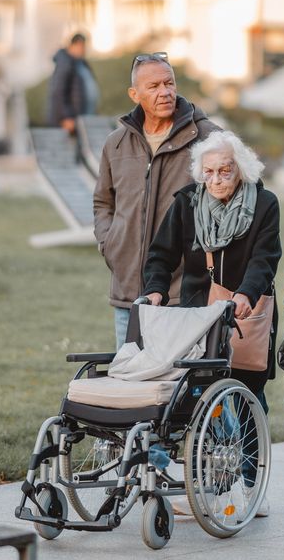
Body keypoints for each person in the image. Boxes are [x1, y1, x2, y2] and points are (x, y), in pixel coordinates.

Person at [141, 130, 281, 516]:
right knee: (200, 394)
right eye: (210, 172)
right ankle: (208, 482)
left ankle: (253, 486)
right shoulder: (187, 203)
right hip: (197, 315)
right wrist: (154, 289)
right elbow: (160, 255)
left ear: (241, 169)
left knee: (249, 394)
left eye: (225, 171)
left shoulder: (264, 204)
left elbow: (266, 257)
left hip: (245, 314)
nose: (217, 179)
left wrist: (245, 292)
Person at [93, 52, 220, 349]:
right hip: (128, 291)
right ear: (134, 94)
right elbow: (102, 202)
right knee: (129, 382)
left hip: (181, 291)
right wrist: (109, 243)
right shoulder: (116, 143)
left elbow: (235, 198)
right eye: (153, 86)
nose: (165, 92)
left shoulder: (208, 139)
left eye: (169, 83)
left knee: (174, 387)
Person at [48, 33, 100, 135]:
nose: (83, 50)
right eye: (81, 46)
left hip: (84, 118)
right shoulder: (65, 63)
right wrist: (67, 117)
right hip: (70, 121)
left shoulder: (81, 63)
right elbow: (58, 91)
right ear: (73, 45)